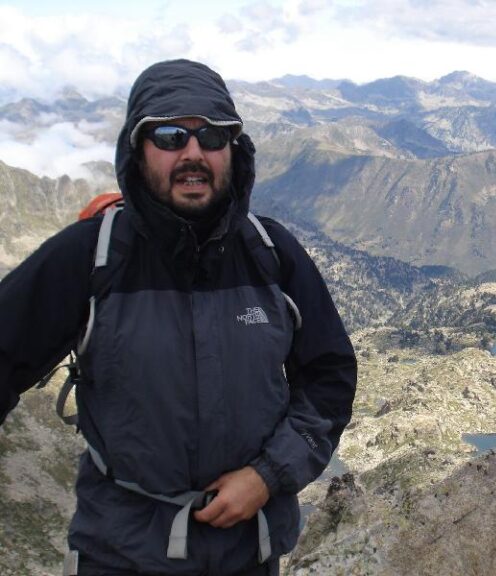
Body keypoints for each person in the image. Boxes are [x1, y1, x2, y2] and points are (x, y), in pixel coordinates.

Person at [0, 59, 357, 576]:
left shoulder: (272, 253)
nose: (193, 152)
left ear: (234, 149)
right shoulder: (90, 258)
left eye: (212, 136)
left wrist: (267, 475)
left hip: (247, 555)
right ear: (137, 149)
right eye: (169, 136)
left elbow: (330, 378)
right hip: (120, 556)